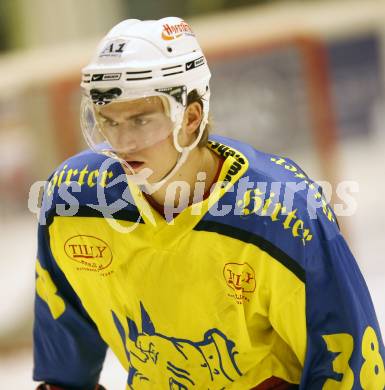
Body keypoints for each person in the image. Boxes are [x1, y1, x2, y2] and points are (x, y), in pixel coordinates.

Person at [33, 17, 385, 390]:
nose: (123, 142)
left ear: (190, 117)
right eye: (108, 121)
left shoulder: (283, 213)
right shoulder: (73, 201)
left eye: (140, 120)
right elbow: (63, 372)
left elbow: (352, 369)